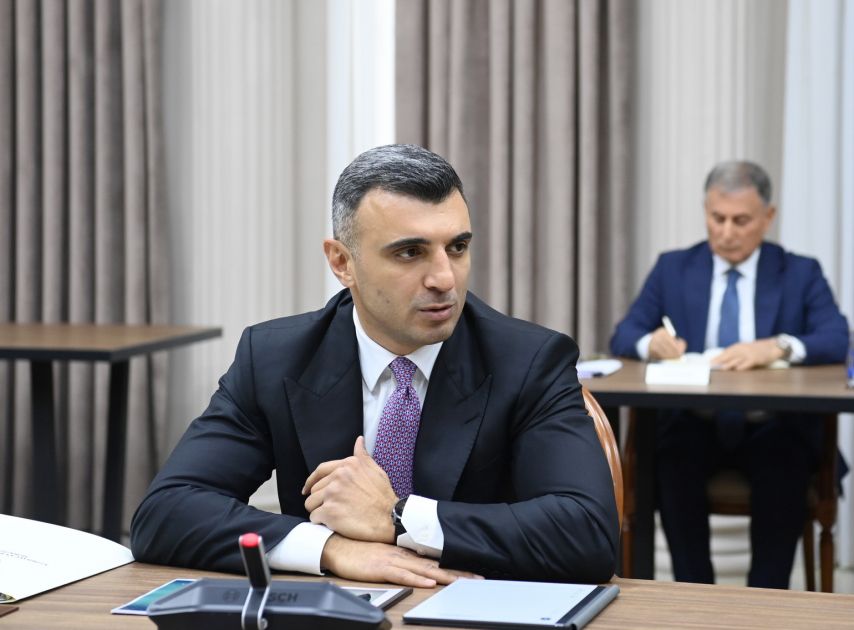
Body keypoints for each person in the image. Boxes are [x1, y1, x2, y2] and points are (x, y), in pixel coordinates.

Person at [131, 144, 618, 587]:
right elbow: (165, 513)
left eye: (457, 247)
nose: (444, 278)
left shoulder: (529, 360)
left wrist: (399, 518)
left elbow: (587, 535)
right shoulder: (276, 356)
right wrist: (330, 548)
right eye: (410, 252)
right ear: (342, 262)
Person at [610, 160, 849, 589]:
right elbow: (624, 333)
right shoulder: (674, 268)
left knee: (784, 462)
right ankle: (695, 597)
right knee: (669, 458)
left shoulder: (799, 272)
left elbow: (836, 337)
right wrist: (650, 343)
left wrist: (777, 346)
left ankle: (766, 604)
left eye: (741, 221)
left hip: (772, 426)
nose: (726, 232)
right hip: (694, 424)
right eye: (716, 218)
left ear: (768, 217)